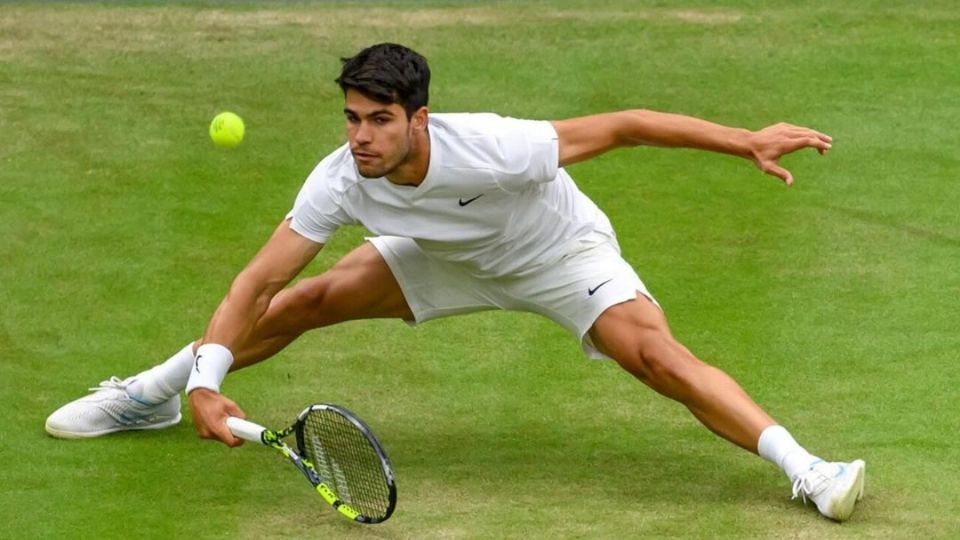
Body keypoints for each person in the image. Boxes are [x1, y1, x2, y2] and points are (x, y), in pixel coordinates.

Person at [46, 43, 865, 521]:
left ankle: (809, 471)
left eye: (379, 121)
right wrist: (209, 381)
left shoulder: (497, 146)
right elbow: (258, 279)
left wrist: (743, 140)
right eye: (352, 118)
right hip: (442, 256)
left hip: (555, 254)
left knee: (653, 356)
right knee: (303, 300)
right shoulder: (339, 179)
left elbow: (624, 127)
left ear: (418, 120)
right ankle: (151, 392)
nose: (361, 137)